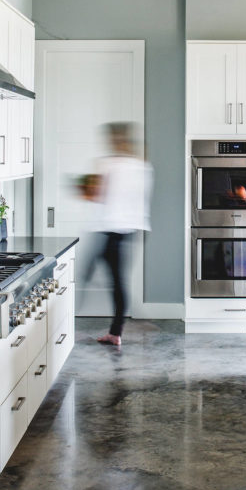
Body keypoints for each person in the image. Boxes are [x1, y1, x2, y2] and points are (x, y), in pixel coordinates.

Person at [78, 122, 152, 347]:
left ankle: (112, 330)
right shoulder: (143, 166)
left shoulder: (109, 164)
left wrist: (82, 187)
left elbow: (95, 196)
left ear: (114, 140)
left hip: (110, 230)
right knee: (115, 279)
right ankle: (115, 331)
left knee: (95, 275)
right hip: (131, 229)